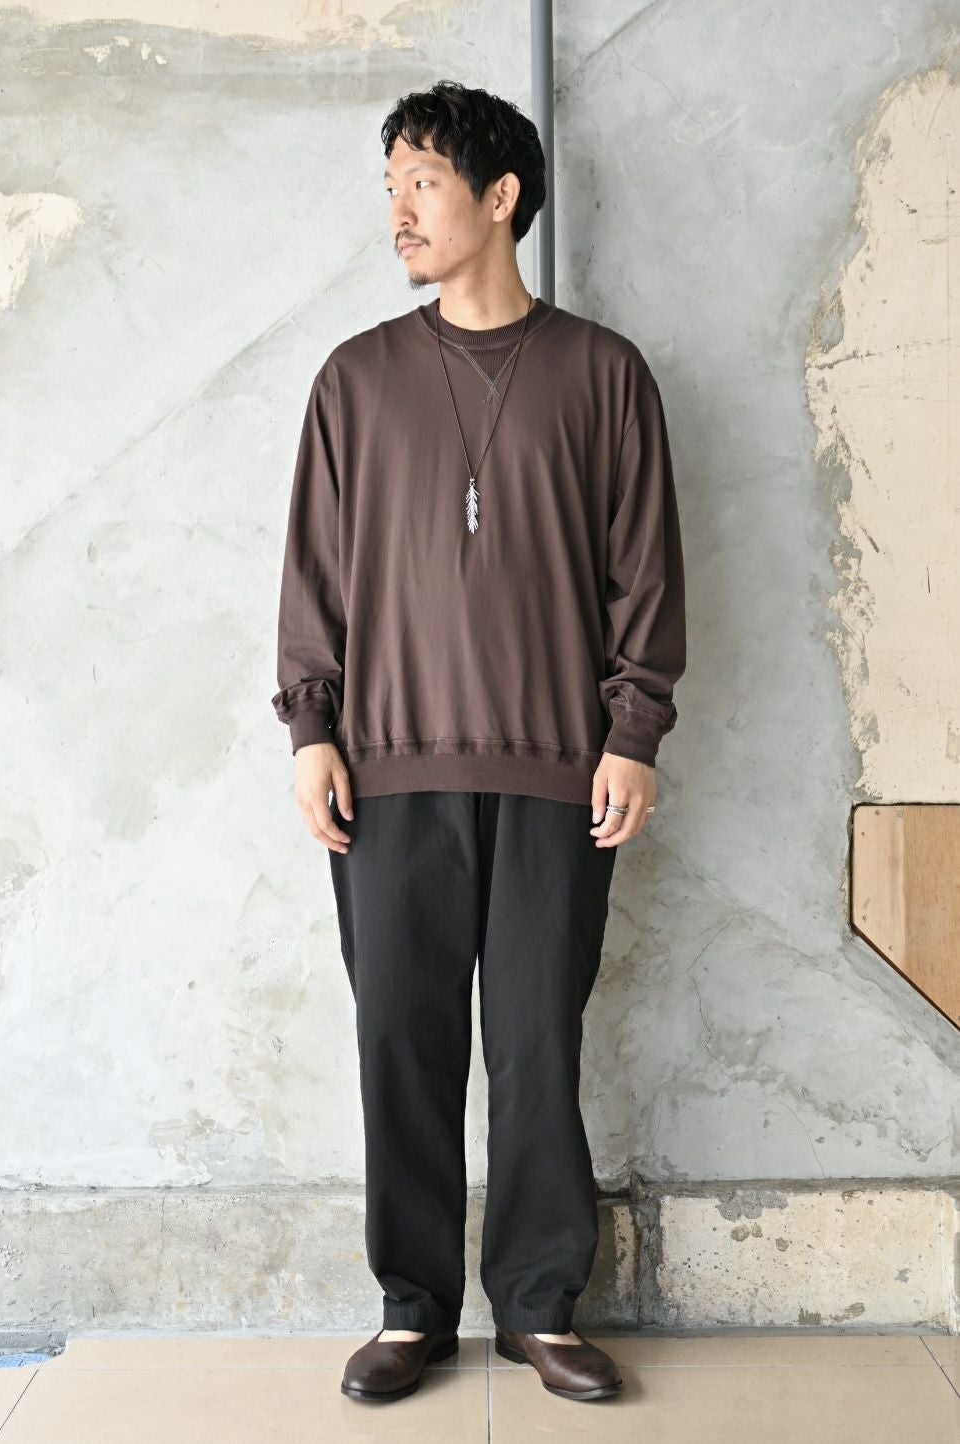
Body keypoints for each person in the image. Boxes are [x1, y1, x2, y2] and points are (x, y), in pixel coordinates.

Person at [271, 80, 686, 1405]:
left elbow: (645, 573)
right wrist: (311, 728)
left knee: (535, 1045)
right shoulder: (356, 379)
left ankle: (539, 1306)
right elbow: (314, 572)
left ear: (501, 197)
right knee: (398, 1039)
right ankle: (411, 1309)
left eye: (424, 183)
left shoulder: (604, 374)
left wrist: (634, 730)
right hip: (387, 771)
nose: (398, 210)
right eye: (389, 185)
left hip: (560, 771)